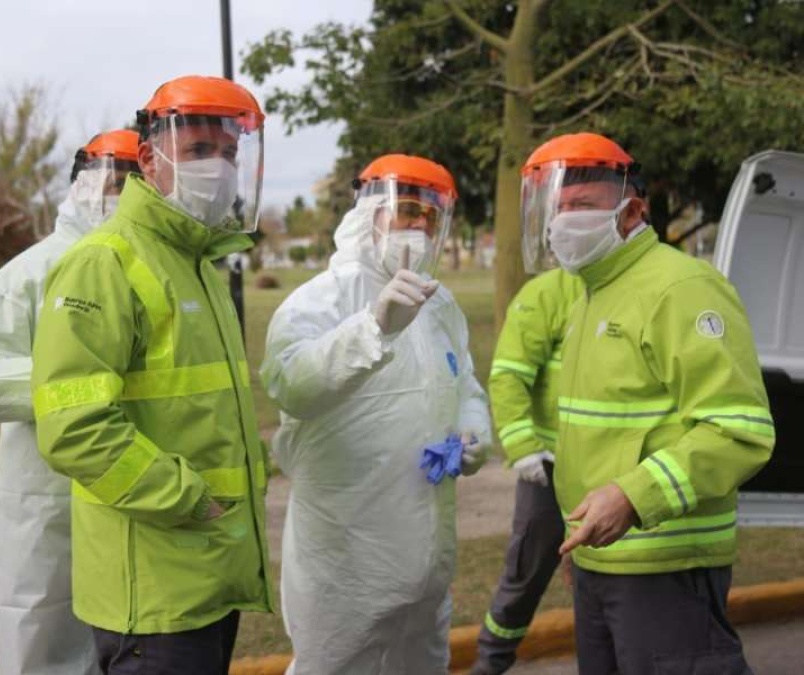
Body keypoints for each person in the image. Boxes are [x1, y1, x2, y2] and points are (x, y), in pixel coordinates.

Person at [29, 76, 272, 675]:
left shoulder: (197, 265)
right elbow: (73, 427)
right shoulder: (103, 262)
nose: (218, 167)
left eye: (229, 153)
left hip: (207, 573)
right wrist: (189, 498)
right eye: (197, 151)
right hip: (153, 589)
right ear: (149, 159)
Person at [522, 132, 775, 674]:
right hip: (600, 560)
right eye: (557, 208)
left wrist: (633, 499)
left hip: (666, 564)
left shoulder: (679, 287)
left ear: (631, 210)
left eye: (582, 207)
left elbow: (738, 431)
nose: (563, 222)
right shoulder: (593, 292)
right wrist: (580, 540)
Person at [261, 153, 492, 675]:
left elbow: (466, 383)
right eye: (407, 212)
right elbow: (290, 384)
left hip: (426, 563)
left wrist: (475, 430)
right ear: (370, 213)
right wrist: (374, 326)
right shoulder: (319, 300)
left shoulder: (441, 304)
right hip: (344, 565)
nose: (418, 229)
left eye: (430, 219)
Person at [0, 128, 140, 675]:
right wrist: (74, 383)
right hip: (49, 505)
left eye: (138, 182)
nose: (124, 196)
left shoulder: (157, 275)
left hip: (142, 497)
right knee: (45, 650)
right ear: (80, 185)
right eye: (114, 182)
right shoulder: (30, 274)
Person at [469, 265, 583, 675]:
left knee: (603, 586)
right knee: (524, 577)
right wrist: (522, 446)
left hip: (615, 473)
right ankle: (489, 663)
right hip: (548, 471)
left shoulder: (640, 287)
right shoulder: (548, 293)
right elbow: (509, 376)